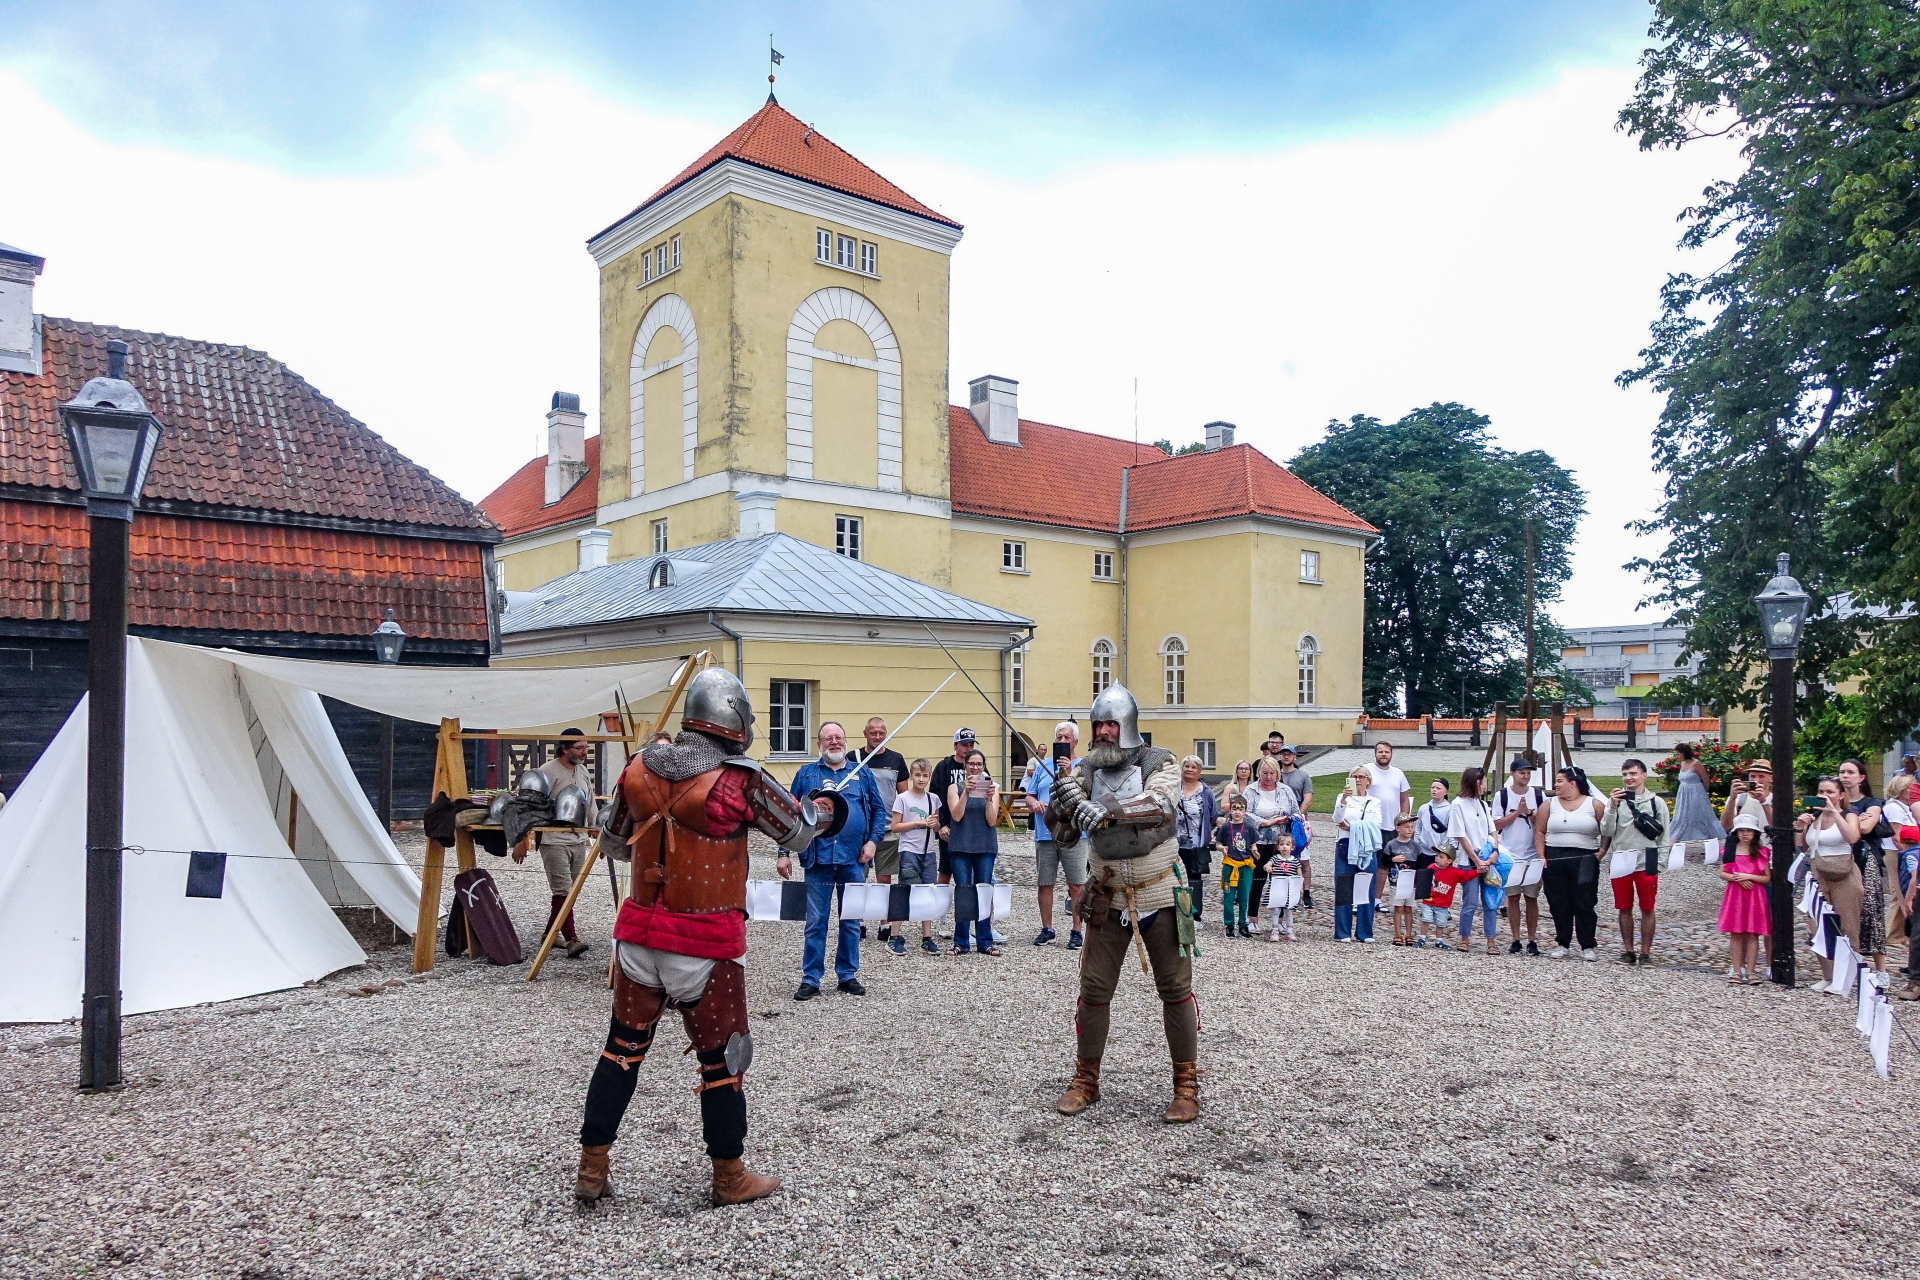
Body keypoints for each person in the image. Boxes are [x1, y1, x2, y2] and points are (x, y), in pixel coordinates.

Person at [575, 667, 839, 1206]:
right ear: (735, 719)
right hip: (703, 944)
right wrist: (825, 807)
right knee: (723, 1062)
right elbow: (800, 831)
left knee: (620, 1051)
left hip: (637, 940)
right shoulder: (739, 780)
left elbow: (617, 846)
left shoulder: (639, 768)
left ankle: (592, 1167)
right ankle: (728, 1177)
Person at [1048, 683, 1200, 1124]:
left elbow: (1160, 803)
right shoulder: (1085, 770)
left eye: (1112, 723)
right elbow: (1065, 833)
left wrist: (1108, 809)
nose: (1104, 732)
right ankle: (1086, 1079)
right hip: (1106, 892)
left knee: (1174, 989)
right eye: (1098, 724)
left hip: (1160, 892)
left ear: (1128, 726)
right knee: (1093, 991)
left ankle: (1186, 1083)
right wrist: (1061, 807)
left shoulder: (1160, 762)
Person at [781, 722, 890, 1000]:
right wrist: (783, 854)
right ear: (819, 744)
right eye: (828, 738)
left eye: (838, 737)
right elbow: (788, 816)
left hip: (853, 858)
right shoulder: (806, 774)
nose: (834, 742)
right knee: (816, 921)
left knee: (851, 920)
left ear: (845, 741)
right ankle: (811, 978)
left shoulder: (860, 772)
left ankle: (847, 974)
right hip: (817, 858)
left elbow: (878, 811)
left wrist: (873, 842)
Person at [515, 728, 597, 959]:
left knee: (571, 891)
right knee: (562, 889)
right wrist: (523, 840)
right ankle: (571, 939)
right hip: (553, 839)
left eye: (586, 747)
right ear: (564, 748)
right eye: (579, 748)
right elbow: (529, 807)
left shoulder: (583, 771)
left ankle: (549, 934)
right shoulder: (546, 772)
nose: (584, 752)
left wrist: (597, 832)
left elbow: (589, 802)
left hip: (578, 839)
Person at [1798, 776, 1865, 994]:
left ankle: (1846, 978)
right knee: (1816, 926)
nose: (1824, 796)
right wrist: (1801, 827)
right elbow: (1801, 846)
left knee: (1848, 926)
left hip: (1844, 873)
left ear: (1841, 795)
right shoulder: (1813, 818)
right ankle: (1827, 975)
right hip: (1818, 871)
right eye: (1821, 792)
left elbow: (1853, 837)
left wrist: (1835, 812)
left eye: (1830, 792)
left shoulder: (1849, 815)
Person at [1023, 721, 1086, 949]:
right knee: (1045, 883)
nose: (1061, 741)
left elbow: (1086, 796)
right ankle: (1047, 928)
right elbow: (1029, 795)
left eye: (1066, 738)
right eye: (1058, 737)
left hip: (1074, 833)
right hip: (1045, 832)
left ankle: (1077, 930)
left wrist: (1068, 772)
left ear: (1075, 742)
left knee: (1077, 884)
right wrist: (1034, 803)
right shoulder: (1042, 766)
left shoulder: (1083, 767)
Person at [1598, 759, 1666, 965]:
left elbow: (1665, 835)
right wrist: (1611, 806)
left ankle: (1646, 952)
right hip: (1621, 858)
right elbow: (1606, 831)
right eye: (1625, 774)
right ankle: (1628, 950)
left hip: (1648, 859)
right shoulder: (1616, 802)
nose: (1629, 778)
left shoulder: (1656, 802)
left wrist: (1661, 861)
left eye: (1633, 774)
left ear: (1644, 775)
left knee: (1647, 907)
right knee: (1624, 907)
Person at [1538, 766, 1608, 961]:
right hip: (1555, 855)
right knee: (1558, 900)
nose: (1556, 785)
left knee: (1584, 900)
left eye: (1560, 781)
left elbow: (1606, 830)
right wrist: (1541, 855)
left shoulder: (1594, 805)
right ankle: (1562, 942)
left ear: (1573, 783)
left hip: (1585, 857)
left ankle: (1588, 944)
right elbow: (1540, 830)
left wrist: (1601, 852)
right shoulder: (1549, 804)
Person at [853, 717, 909, 944]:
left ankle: (884, 922)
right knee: (858, 877)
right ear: (865, 733)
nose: (877, 736)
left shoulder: (896, 759)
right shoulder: (853, 758)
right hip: (860, 829)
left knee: (884, 877)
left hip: (887, 828)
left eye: (881, 733)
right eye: (873, 733)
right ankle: (857, 921)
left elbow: (903, 795)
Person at [945, 748, 1003, 956]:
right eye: (972, 764)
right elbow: (956, 816)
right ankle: (961, 941)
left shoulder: (993, 788)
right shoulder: (955, 788)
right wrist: (967, 793)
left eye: (979, 764)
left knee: (984, 891)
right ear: (965, 766)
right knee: (964, 891)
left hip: (984, 845)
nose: (976, 768)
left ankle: (985, 940)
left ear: (984, 766)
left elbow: (991, 820)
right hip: (961, 845)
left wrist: (988, 799)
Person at [1837, 758, 1889, 979]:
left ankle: (1881, 970)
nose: (1845, 776)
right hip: (1839, 859)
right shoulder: (1836, 801)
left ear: (1861, 777)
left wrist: (1851, 819)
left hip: (1865, 858)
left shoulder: (1871, 802)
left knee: (1871, 910)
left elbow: (1866, 828)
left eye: (1850, 772)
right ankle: (1847, 966)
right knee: (1843, 913)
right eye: (1842, 772)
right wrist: (1856, 818)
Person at [887, 759, 944, 955]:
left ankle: (927, 937)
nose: (921, 779)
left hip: (928, 851)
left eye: (925, 776)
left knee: (928, 893)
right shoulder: (902, 798)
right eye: (918, 775)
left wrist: (934, 824)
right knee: (905, 892)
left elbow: (935, 825)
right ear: (911, 776)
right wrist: (918, 823)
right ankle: (894, 936)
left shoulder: (933, 799)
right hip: (909, 850)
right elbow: (896, 826)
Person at [1493, 755, 1545, 956]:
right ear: (1513, 774)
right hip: (1510, 852)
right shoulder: (1503, 796)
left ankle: (1532, 938)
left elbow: (1543, 823)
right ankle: (1516, 938)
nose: (1526, 776)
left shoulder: (1539, 796)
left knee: (1531, 897)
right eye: (1522, 773)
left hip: (1532, 853)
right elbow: (1496, 825)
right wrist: (1516, 813)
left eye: (1528, 773)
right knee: (1512, 897)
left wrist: (1530, 813)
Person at [1446, 768, 1497, 955]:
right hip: (1469, 859)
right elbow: (1461, 835)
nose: (1485, 785)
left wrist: (1495, 852)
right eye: (1484, 781)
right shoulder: (1458, 804)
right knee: (1470, 901)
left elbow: (1492, 831)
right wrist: (1476, 860)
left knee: (1490, 901)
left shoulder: (1482, 805)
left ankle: (1491, 939)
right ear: (1477, 782)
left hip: (1487, 858)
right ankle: (1464, 937)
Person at [1244, 758, 1300, 929]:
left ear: (1278, 773)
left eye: (1272, 773)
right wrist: (1265, 822)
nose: (1268, 777)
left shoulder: (1286, 790)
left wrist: (1287, 818)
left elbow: (1296, 813)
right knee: (1257, 880)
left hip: (1280, 843)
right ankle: (1252, 918)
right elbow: (1244, 812)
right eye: (1265, 773)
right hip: (1258, 842)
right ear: (1259, 773)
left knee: (1281, 880)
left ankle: (1280, 920)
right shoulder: (1251, 790)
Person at [1717, 813, 1771, 984]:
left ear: (1755, 833)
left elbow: (1766, 877)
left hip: (1754, 895)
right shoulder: (1730, 850)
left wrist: (1749, 877)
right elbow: (1723, 872)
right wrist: (1737, 879)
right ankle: (1737, 969)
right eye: (1741, 830)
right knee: (1736, 932)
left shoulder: (1761, 852)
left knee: (1752, 933)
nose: (1745, 834)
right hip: (1735, 894)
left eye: (1749, 830)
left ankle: (1751, 970)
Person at [1332, 766, 1383, 942]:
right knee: (1344, 886)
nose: (1358, 780)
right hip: (1346, 844)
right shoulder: (1342, 798)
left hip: (1366, 846)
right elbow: (1338, 819)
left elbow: (1376, 824)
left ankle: (1364, 932)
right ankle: (1342, 931)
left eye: (1362, 777)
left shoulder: (1374, 802)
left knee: (1366, 887)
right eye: (1355, 777)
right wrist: (1344, 799)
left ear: (1368, 780)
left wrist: (1352, 826)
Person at [1363, 742, 1412, 904]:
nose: (1383, 754)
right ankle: (1363, 897)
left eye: (1387, 752)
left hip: (1390, 826)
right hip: (1371, 825)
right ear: (1375, 753)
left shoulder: (1398, 774)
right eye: (1380, 752)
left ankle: (1377, 898)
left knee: (1384, 864)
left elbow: (1404, 799)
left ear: (1391, 754)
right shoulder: (1366, 770)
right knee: (1367, 862)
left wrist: (1403, 821)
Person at [1175, 755, 1220, 929]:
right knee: (1176, 876)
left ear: (1199, 771)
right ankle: (1177, 911)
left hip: (1195, 841)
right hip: (1175, 840)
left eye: (1193, 767)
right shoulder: (1174, 787)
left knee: (1194, 877)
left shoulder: (1205, 791)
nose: (1189, 770)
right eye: (1186, 766)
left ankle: (1195, 913)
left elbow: (1213, 815)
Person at [1666, 742, 1727, 856]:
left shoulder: (1696, 763)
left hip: (1696, 793)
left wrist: (1702, 794)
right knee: (1680, 816)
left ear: (1684, 753)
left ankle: (1711, 842)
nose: (1677, 757)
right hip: (1684, 793)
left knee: (1700, 816)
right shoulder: (1683, 763)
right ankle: (1674, 841)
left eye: (1678, 754)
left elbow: (1705, 779)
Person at [1276, 746, 1316, 907]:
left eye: (1289, 754)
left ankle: (1306, 892)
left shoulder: (1303, 776)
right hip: (1280, 820)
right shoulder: (1276, 775)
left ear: (1294, 757)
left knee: (1303, 859)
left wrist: (1297, 816)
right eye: (1283, 754)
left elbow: (1308, 799)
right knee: (1281, 857)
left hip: (1298, 823)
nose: (1286, 757)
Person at [1215, 796, 1259, 938]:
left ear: (1245, 811)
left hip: (1245, 866)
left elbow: (1252, 844)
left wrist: (1254, 851)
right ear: (1230, 811)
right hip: (1230, 865)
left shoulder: (1249, 828)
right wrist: (1222, 848)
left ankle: (1243, 925)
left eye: (1240, 809)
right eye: (1234, 809)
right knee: (1228, 897)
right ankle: (1229, 925)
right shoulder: (1226, 827)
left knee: (1244, 897)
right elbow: (1218, 843)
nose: (1237, 812)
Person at [1422, 848, 1478, 950]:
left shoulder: (1454, 872)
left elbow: (1465, 876)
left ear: (1449, 861)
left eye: (1441, 857)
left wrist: (1477, 871)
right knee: (1426, 919)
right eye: (1437, 856)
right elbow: (1423, 879)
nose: (1437, 858)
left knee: (1441, 923)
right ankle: (1422, 938)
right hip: (1429, 901)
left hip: (1443, 903)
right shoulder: (1431, 868)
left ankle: (1439, 940)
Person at [1411, 777, 1452, 906]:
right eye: (1432, 787)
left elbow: (1450, 831)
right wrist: (1418, 842)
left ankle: (1440, 902)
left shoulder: (1449, 810)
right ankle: (1424, 902)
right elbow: (1418, 828)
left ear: (1446, 792)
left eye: (1438, 788)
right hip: (1424, 849)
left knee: (1440, 879)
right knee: (1423, 876)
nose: (1434, 790)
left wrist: (1444, 849)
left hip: (1440, 851)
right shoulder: (1424, 808)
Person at [1263, 823, 1305, 942]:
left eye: (1287, 844)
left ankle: (1289, 930)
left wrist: (1300, 887)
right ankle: (1274, 930)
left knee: (1289, 910)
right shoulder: (1275, 858)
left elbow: (1299, 875)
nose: (1284, 847)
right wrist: (1268, 868)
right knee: (1276, 910)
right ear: (1278, 847)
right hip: (1277, 888)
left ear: (1292, 847)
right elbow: (1267, 865)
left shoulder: (1295, 861)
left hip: (1290, 889)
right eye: (1282, 844)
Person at [1385, 813, 1419, 945]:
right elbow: (1384, 860)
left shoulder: (1415, 846)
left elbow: (1421, 862)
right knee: (1398, 907)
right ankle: (1398, 933)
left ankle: (1409, 933)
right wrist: (1392, 859)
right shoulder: (1391, 845)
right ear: (1398, 828)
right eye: (1406, 827)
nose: (1410, 830)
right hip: (1396, 882)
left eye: (1412, 827)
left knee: (1409, 908)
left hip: (1411, 882)